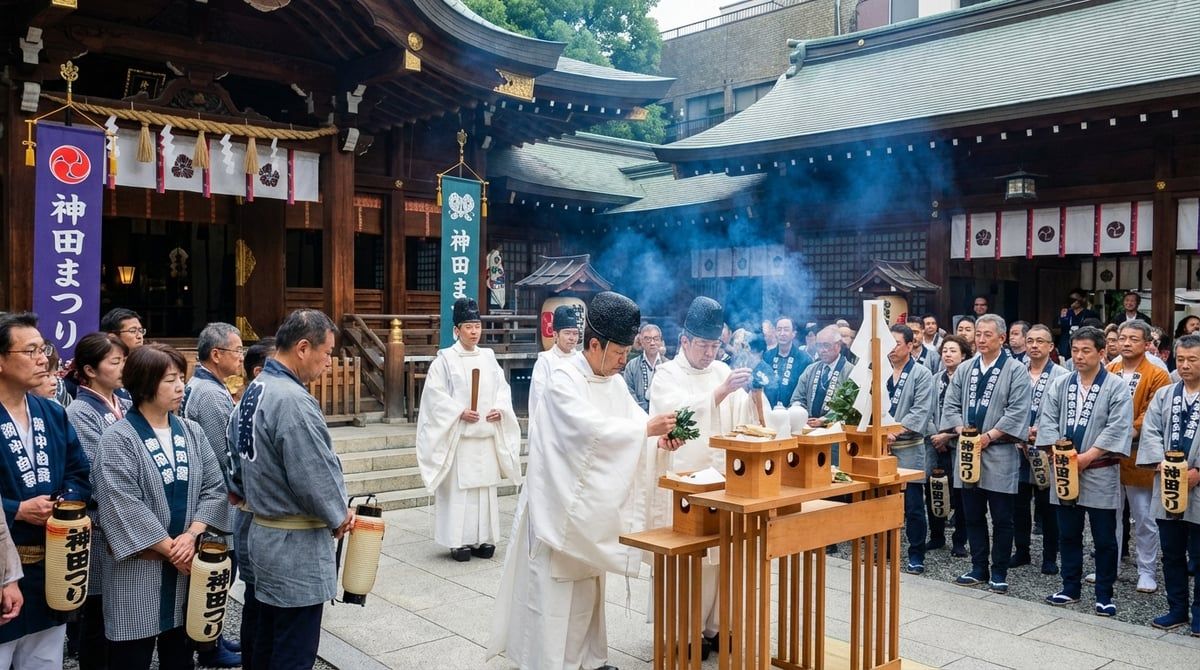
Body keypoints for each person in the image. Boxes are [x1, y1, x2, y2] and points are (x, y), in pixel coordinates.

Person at [488, 291, 682, 670]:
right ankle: (550, 662)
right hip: (558, 508)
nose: (625, 362)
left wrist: (657, 438)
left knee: (589, 584)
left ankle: (590, 658)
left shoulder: (612, 382)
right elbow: (588, 433)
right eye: (620, 353)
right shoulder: (563, 380)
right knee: (555, 591)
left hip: (587, 511)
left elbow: (629, 427)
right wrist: (643, 428)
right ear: (595, 344)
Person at [230, 309, 353, 669]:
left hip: (262, 532)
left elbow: (232, 465)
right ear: (303, 348)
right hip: (292, 547)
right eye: (327, 352)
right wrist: (338, 514)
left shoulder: (255, 389)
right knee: (293, 649)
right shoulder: (293, 400)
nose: (328, 362)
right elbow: (313, 475)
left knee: (265, 637)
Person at [93, 344, 227, 669]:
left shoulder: (192, 431)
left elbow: (215, 487)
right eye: (170, 380)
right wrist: (174, 551)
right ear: (144, 383)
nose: (181, 386)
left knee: (180, 655)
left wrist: (193, 534)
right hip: (140, 570)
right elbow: (122, 506)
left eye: (182, 377)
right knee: (131, 657)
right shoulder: (117, 439)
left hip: (186, 567)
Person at [644, 297, 751, 657]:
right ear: (685, 342)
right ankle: (682, 633)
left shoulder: (721, 370)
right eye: (703, 346)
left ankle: (717, 626)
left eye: (715, 345)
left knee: (723, 557)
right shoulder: (667, 374)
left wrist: (748, 394)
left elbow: (739, 415)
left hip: (721, 479)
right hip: (683, 483)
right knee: (689, 559)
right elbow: (675, 419)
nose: (709, 353)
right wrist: (719, 395)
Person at [0, 312, 91, 669]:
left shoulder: (51, 412)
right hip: (5, 565)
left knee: (44, 659)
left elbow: (79, 471)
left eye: (44, 349)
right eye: (31, 351)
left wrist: (64, 504)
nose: (43, 359)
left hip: (53, 563)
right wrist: (16, 509)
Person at [1037, 326, 1132, 616]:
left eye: (1086, 350)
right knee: (1069, 532)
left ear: (1102, 353)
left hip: (1100, 469)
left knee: (1104, 537)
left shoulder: (1115, 386)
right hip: (1066, 469)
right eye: (1075, 350)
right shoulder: (1062, 384)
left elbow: (1118, 425)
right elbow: (1048, 418)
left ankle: (1104, 593)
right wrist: (1059, 452)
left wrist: (1089, 456)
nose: (1078, 356)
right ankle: (1070, 587)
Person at [417, 298, 521, 562]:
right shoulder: (445, 360)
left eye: (477, 326)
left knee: (484, 490)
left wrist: (500, 408)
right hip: (460, 438)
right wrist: (458, 411)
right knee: (459, 492)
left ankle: (483, 539)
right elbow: (434, 397)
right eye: (469, 327)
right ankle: (458, 542)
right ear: (457, 330)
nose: (474, 332)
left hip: (485, 436)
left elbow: (502, 388)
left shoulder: (488, 357)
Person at [940, 314, 1032, 594]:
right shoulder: (966, 368)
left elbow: (1018, 410)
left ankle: (999, 571)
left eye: (987, 335)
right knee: (972, 513)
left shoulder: (1015, 370)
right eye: (977, 334)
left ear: (1002, 339)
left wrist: (990, 436)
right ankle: (978, 566)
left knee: (1002, 516)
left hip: (999, 451)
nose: (980, 339)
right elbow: (951, 404)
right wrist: (960, 428)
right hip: (968, 451)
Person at [64, 333, 130, 670]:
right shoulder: (80, 411)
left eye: (123, 361)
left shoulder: (125, 403)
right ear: (89, 370)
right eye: (115, 362)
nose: (123, 368)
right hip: (101, 523)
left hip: (125, 518)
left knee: (121, 611)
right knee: (98, 614)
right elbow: (94, 471)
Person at [179, 323, 243, 667]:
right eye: (237, 350)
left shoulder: (200, 386)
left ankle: (210, 637)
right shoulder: (212, 394)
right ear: (216, 355)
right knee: (216, 573)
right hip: (216, 498)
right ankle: (207, 645)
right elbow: (225, 454)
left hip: (206, 494)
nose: (241, 357)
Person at [1138, 334, 1200, 636]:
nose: (1185, 365)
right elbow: (1149, 432)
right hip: (1168, 484)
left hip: (1198, 486)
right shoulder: (1165, 395)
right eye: (1181, 359)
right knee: (1172, 552)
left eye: (1193, 359)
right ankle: (1177, 608)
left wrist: (1198, 471)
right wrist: (1160, 464)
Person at [1108, 321, 1171, 594]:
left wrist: (1123, 433)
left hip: (1139, 454)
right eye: (1122, 338)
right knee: (1109, 514)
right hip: (1108, 454)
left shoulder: (1157, 373)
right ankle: (1109, 566)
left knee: (1145, 517)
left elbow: (1154, 413)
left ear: (1147, 343)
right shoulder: (1109, 369)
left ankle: (1147, 570)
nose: (1126, 343)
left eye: (1134, 338)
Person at [228, 336, 274, 670]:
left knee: (256, 601)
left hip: (250, 513)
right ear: (259, 371)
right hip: (254, 515)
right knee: (259, 602)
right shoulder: (247, 410)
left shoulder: (246, 407)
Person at [1012, 324, 1067, 576]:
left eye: (1040, 341)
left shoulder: (1062, 375)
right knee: (1019, 503)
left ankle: (1049, 556)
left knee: (1048, 505)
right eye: (1030, 341)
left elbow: (1063, 415)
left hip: (1046, 449)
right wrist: (1019, 432)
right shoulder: (1015, 371)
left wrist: (1042, 435)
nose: (1034, 345)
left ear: (1050, 346)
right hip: (1017, 446)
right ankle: (1021, 550)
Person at [886, 325, 935, 575]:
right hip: (881, 448)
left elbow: (921, 410)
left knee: (913, 504)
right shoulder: (878, 371)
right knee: (882, 500)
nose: (891, 348)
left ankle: (916, 554)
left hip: (909, 447)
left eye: (896, 343)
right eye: (888, 342)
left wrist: (895, 431)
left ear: (909, 345)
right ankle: (884, 548)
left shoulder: (922, 374)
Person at [926, 335, 972, 557]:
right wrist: (937, 434)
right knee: (934, 487)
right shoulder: (934, 379)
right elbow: (926, 409)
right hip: (935, 441)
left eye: (953, 351)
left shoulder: (969, 380)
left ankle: (959, 540)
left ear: (963, 355)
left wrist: (948, 435)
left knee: (960, 492)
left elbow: (968, 415)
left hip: (959, 443)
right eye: (945, 350)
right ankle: (936, 536)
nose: (948, 354)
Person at [791, 325, 854, 428]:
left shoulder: (850, 371)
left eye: (826, 345)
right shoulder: (810, 369)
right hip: (809, 427)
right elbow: (798, 398)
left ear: (838, 345)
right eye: (819, 346)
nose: (822, 350)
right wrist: (800, 413)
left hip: (836, 430)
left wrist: (824, 420)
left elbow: (849, 405)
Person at [532, 307, 583, 419]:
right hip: (553, 418)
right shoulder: (545, 361)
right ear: (555, 335)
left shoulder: (581, 360)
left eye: (575, 333)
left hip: (578, 418)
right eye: (567, 333)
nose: (572, 338)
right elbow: (540, 396)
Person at [762, 317, 813, 408]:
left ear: (793, 333)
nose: (782, 333)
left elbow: (808, 390)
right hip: (768, 409)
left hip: (793, 411)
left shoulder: (805, 359)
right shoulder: (766, 357)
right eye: (779, 330)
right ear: (775, 333)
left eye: (786, 330)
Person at [623, 324, 663, 413]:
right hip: (637, 416)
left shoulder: (668, 365)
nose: (652, 343)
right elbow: (628, 392)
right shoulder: (632, 366)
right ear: (641, 341)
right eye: (647, 339)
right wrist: (641, 412)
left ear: (660, 341)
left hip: (663, 415)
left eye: (656, 338)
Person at [1057, 289, 1100, 358]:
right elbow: (1060, 327)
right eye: (1070, 300)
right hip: (1066, 344)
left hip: (1083, 342)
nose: (1073, 302)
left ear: (1082, 299)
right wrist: (1062, 318)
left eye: (1075, 299)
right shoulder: (1066, 313)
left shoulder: (1090, 314)